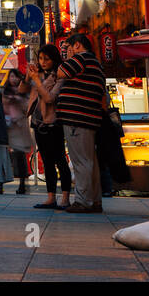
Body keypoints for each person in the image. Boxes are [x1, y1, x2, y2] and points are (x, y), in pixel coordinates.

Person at [57, 33, 107, 213]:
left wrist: (70, 58)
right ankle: (94, 200)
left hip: (77, 118)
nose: (66, 51)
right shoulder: (95, 63)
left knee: (81, 161)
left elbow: (61, 72)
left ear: (77, 45)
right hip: (89, 117)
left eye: (68, 47)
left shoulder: (81, 58)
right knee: (89, 160)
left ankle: (83, 201)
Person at [28, 44, 72, 209]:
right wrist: (28, 77)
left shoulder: (59, 77)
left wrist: (37, 81)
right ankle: (51, 197)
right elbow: (22, 90)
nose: (43, 62)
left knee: (60, 160)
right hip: (38, 123)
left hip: (54, 123)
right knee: (46, 161)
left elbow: (49, 99)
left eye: (46, 59)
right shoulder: (38, 75)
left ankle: (66, 198)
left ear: (54, 59)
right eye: (40, 58)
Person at [1, 66, 35, 195]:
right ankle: (21, 183)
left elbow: (28, 106)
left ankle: (23, 183)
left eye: (15, 76)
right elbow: (4, 107)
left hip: (21, 126)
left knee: (20, 156)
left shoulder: (25, 91)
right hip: (11, 127)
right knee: (16, 156)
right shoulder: (6, 92)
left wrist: (19, 100)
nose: (13, 79)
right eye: (11, 76)